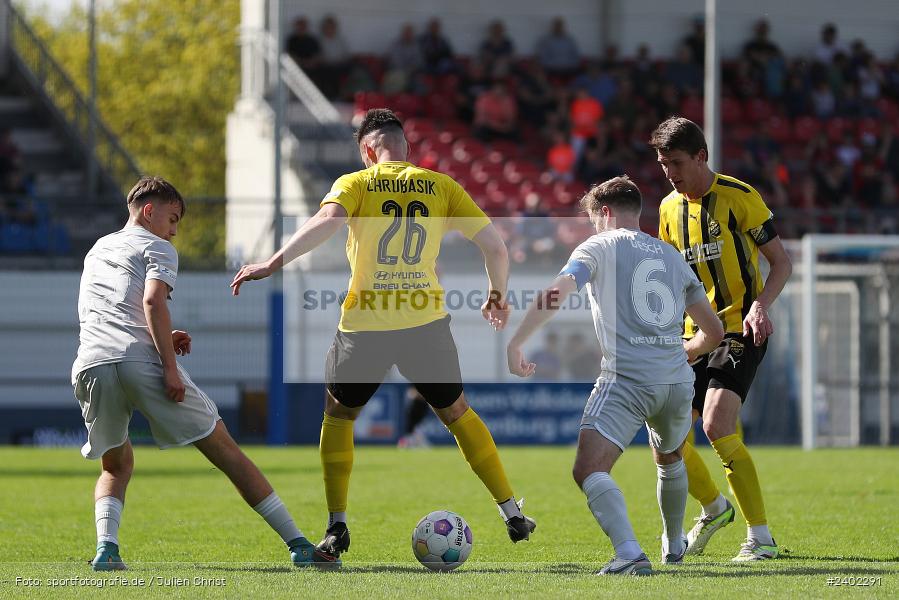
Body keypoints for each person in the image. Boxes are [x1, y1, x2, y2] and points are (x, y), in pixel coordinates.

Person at [230, 108, 536, 567]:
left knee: (339, 416)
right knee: (456, 412)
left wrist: (272, 263)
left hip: (366, 324)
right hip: (425, 323)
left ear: (368, 150)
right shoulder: (440, 185)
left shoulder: (356, 183)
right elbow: (495, 247)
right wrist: (497, 296)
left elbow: (328, 222)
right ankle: (511, 512)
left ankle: (336, 526)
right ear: (404, 149)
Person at [71, 176, 320, 570]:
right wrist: (169, 365)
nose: (174, 230)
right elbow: (152, 301)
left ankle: (106, 549)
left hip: (91, 363)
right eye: (172, 219)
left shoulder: (98, 249)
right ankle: (300, 544)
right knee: (226, 451)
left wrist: (163, 337)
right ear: (149, 211)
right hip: (140, 362)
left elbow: (113, 311)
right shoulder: (159, 247)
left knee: (116, 465)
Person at [506, 176, 724, 575]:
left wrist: (516, 340)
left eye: (593, 221)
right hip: (676, 381)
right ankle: (674, 547)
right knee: (670, 458)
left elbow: (557, 292)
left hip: (627, 378)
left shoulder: (599, 245)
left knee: (589, 469)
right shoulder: (671, 255)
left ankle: (628, 554)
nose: (592, 229)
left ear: (604, 213)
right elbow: (713, 332)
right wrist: (682, 353)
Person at [650, 117, 793, 561]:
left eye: (675, 162)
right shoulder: (668, 209)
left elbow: (781, 263)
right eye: (661, 164)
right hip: (693, 335)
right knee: (664, 440)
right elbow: (672, 277)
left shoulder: (739, 197)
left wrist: (760, 305)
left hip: (739, 328)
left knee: (715, 425)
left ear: (700, 157)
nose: (669, 172)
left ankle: (761, 539)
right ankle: (713, 507)